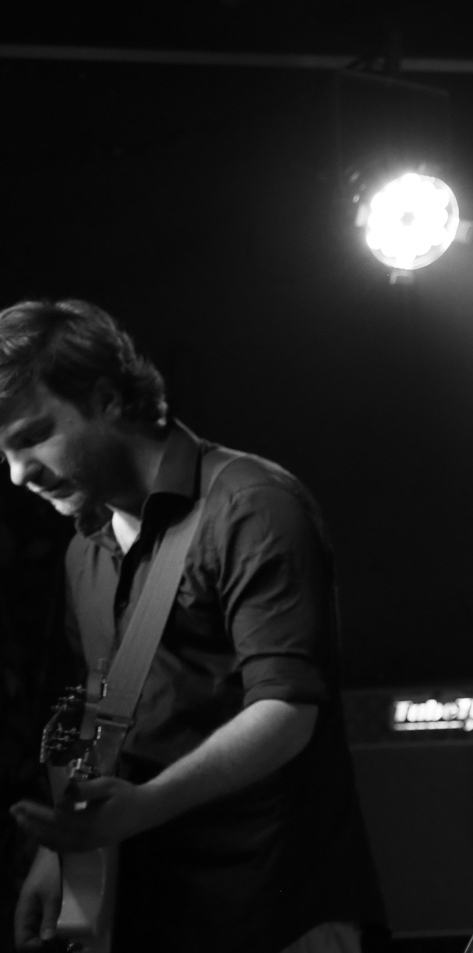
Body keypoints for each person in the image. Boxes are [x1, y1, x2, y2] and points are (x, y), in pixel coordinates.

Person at [1, 300, 384, 953]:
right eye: (3, 454)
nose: (18, 474)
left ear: (106, 399)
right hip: (155, 910)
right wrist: (62, 850)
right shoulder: (84, 551)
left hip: (273, 907)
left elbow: (287, 712)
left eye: (33, 435)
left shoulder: (252, 506)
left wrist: (143, 807)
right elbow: (102, 722)